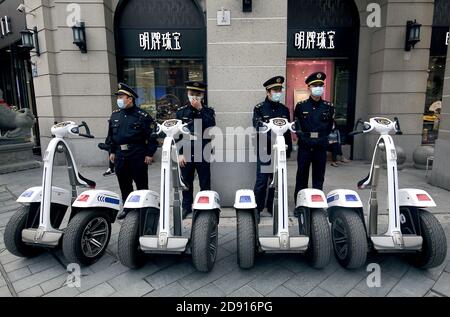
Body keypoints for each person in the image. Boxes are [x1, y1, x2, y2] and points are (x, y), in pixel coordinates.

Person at [106, 83, 158, 220]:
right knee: (124, 183)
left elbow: (152, 136)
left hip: (137, 154)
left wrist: (149, 153)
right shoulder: (115, 115)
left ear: (130, 99)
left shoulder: (142, 115)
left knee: (141, 183)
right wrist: (112, 151)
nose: (119, 99)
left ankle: (144, 209)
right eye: (118, 97)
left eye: (121, 96)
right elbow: (111, 136)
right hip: (120, 155)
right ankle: (128, 208)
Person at [253, 76, 292, 215]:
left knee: (276, 180)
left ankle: (271, 206)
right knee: (262, 181)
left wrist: (288, 149)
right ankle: (257, 210)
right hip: (265, 150)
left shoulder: (284, 110)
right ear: (268, 92)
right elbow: (257, 127)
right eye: (275, 90)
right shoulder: (259, 109)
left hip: (280, 150)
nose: (278, 92)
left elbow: (287, 131)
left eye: (279, 89)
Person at [176, 81, 216, 219]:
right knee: (186, 181)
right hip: (186, 151)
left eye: (197, 94)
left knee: (205, 181)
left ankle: (205, 208)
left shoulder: (208, 111)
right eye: (192, 94)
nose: (194, 97)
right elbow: (178, 134)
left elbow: (211, 127)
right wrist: (180, 153)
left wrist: (200, 110)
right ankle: (186, 206)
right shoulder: (181, 112)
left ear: (202, 95)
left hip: (203, 151)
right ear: (187, 94)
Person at [293, 72, 334, 199]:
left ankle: (317, 203)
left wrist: (322, 139)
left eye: (320, 85)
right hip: (305, 145)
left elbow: (329, 127)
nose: (318, 88)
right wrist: (304, 138)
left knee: (319, 177)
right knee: (302, 176)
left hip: (320, 146)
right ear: (309, 88)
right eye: (315, 85)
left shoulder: (328, 106)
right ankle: (300, 203)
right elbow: (297, 126)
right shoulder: (301, 106)